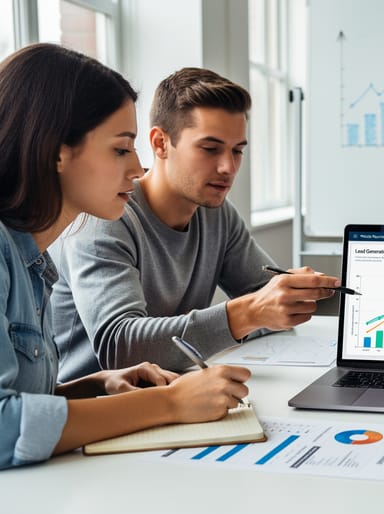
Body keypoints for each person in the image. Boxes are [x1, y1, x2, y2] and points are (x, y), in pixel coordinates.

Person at [0, 44, 250, 469]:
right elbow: (6, 428)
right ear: (56, 151)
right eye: (120, 149)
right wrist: (169, 404)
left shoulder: (33, 261)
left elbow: (23, 400)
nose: (137, 168)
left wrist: (95, 387)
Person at [50, 67, 339, 381]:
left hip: (178, 392)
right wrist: (247, 314)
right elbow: (120, 348)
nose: (228, 167)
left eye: (237, 151)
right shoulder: (104, 219)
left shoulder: (216, 213)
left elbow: (267, 299)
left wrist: (282, 300)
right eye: (210, 149)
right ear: (160, 143)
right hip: (100, 413)